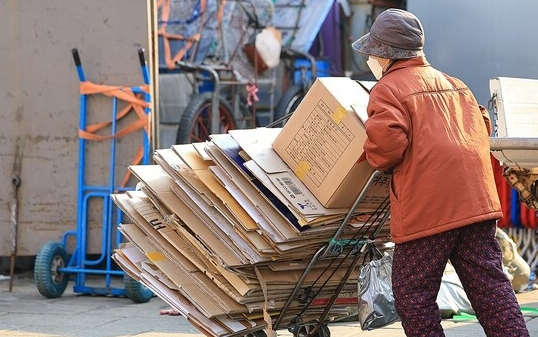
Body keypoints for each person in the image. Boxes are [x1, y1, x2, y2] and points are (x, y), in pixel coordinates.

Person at [352, 8, 530, 337]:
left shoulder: (388, 88)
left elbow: (387, 145)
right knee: (491, 291)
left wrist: (367, 155)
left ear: (383, 54)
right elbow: (483, 125)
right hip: (477, 205)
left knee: (413, 296)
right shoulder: (454, 83)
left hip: (430, 210)